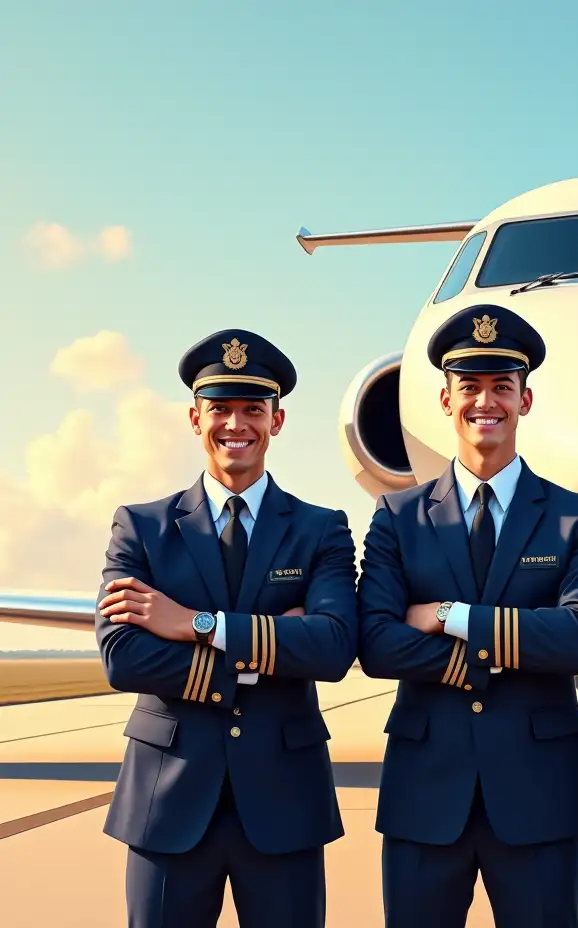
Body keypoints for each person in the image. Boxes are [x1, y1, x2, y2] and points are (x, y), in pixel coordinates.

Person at [356, 304, 578, 927]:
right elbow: (378, 645)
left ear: (526, 400)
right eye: (469, 387)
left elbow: (577, 640)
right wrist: (525, 638)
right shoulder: (398, 517)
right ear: (446, 400)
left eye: (503, 386)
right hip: (425, 796)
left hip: (540, 798)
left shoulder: (575, 517)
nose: (485, 402)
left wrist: (450, 615)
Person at [94, 329, 359, 927]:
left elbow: (333, 647)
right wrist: (270, 643)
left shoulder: (322, 529)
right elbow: (123, 657)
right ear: (194, 418)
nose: (235, 424)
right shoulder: (141, 527)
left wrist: (194, 624)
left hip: (285, 803)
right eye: (220, 408)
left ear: (277, 420)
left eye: (252, 410)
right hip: (167, 800)